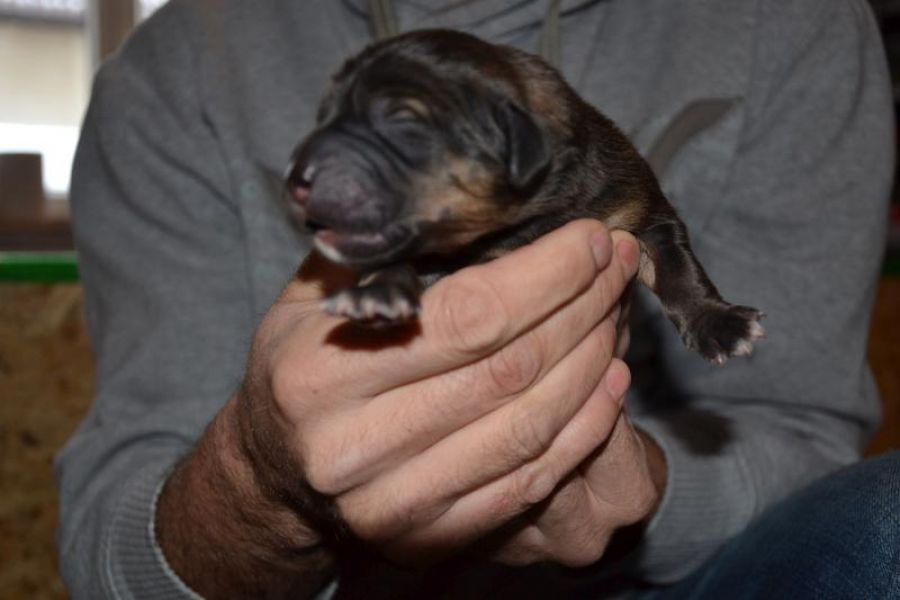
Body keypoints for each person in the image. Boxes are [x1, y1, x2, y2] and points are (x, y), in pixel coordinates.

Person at [56, 0, 899, 598]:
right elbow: (106, 557)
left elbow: (807, 443)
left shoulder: (794, 22)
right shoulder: (174, 68)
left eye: (402, 134)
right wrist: (260, 478)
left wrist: (649, 489)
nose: (307, 170)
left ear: (519, 152)